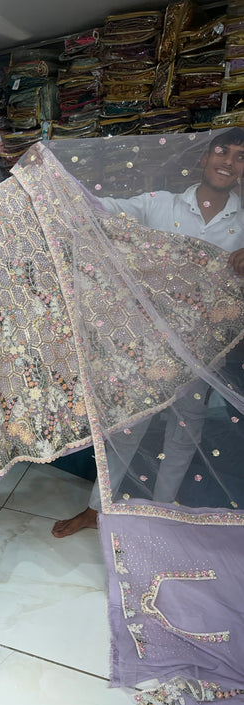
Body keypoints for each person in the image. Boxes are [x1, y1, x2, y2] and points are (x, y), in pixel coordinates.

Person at [52, 127, 244, 537]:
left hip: (201, 354)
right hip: (147, 348)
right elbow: (100, 209)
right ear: (205, 157)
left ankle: (160, 513)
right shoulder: (160, 206)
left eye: (240, 156)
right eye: (222, 151)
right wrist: (53, 181)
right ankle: (95, 509)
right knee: (127, 427)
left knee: (185, 430)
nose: (228, 161)